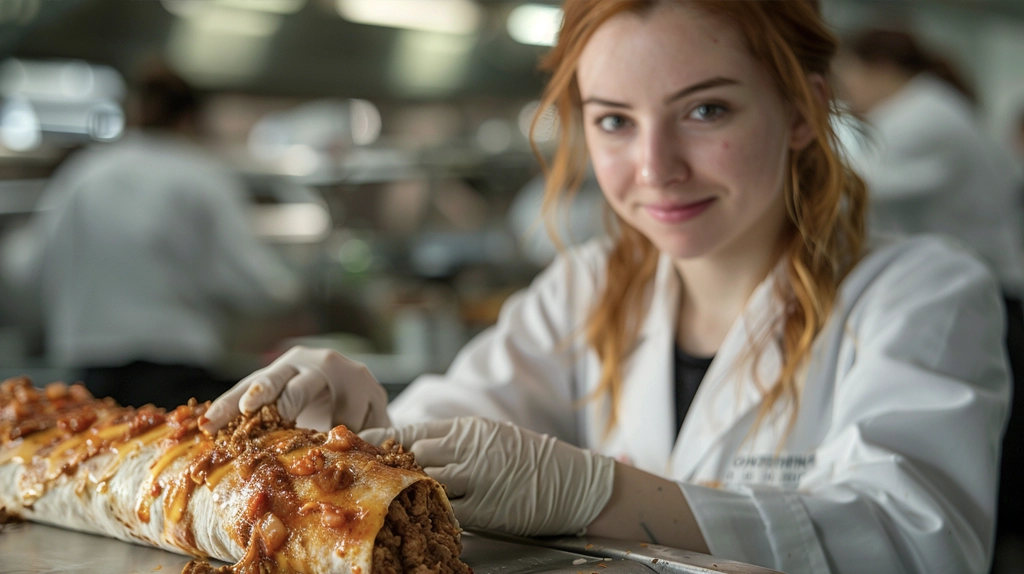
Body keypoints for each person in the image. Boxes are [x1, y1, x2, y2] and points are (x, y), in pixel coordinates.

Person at [201, 2, 1010, 572]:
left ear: (803, 111)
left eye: (707, 111)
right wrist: (365, 427)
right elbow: (461, 423)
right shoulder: (588, 286)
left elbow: (914, 542)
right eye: (615, 120)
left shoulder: (922, 294)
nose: (655, 168)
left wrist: (598, 492)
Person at [837, 29, 1024, 561]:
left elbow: (849, 190)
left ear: (880, 68)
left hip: (982, 302)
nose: (845, 91)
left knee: (986, 465)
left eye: (848, 75)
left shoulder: (923, 117)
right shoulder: (931, 109)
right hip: (980, 295)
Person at [16, 63, 300, 409]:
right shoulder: (199, 176)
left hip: (90, 376)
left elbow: (26, 268)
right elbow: (253, 280)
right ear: (188, 118)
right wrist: (294, 289)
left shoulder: (84, 174)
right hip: (174, 376)